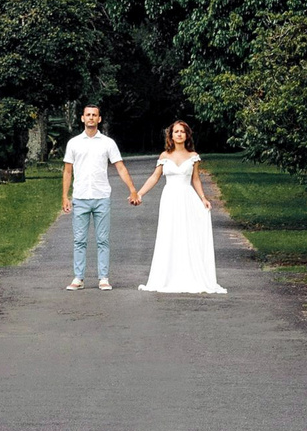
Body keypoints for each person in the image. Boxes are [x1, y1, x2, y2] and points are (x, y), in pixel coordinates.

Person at [137, 118, 226, 295]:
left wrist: (203, 198)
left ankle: (189, 273)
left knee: (186, 233)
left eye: (182, 132)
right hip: (169, 197)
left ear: (186, 135)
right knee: (169, 233)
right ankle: (167, 275)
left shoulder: (193, 157)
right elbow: (155, 177)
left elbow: (195, 179)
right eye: (176, 131)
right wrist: (139, 193)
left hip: (186, 197)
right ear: (171, 135)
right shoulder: (164, 156)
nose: (179, 134)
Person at [60, 105, 136, 290]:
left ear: (99, 119)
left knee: (102, 239)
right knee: (79, 240)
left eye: (94, 115)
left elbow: (120, 167)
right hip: (80, 197)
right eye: (88, 115)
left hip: (101, 196)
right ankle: (78, 278)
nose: (91, 118)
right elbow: (68, 171)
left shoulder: (108, 143)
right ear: (82, 118)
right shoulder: (74, 143)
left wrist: (132, 189)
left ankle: (103, 278)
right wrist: (65, 196)